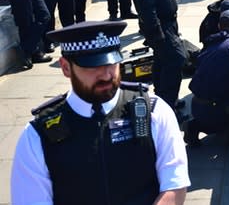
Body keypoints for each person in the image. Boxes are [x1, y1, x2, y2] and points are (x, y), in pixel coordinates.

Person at [10, 20, 190, 205]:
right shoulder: (37, 135)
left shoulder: (153, 111)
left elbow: (174, 185)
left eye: (112, 64)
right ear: (65, 67)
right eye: (92, 66)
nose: (105, 75)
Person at [130, 0, 188, 110]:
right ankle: (168, 106)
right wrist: (157, 34)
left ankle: (163, 100)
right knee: (177, 59)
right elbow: (146, 8)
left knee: (162, 62)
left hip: (170, 23)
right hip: (159, 26)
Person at [185, 9, 229, 146]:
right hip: (217, 110)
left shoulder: (210, 42)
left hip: (196, 105)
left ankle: (194, 126)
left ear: (219, 26)